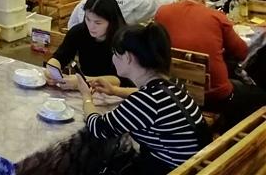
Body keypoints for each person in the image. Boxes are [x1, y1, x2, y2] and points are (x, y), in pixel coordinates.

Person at [79, 24, 210, 174]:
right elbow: (150, 97)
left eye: (115, 53)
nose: (113, 58)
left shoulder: (144, 102)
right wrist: (115, 90)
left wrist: (86, 96)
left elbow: (99, 128)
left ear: (127, 57)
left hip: (171, 168)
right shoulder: (173, 83)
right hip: (196, 164)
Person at [156, 0, 266, 128]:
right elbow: (241, 52)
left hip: (174, 87)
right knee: (259, 94)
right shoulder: (216, 16)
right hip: (215, 94)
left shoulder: (162, 13)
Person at [45, 0, 127, 90]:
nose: (91, 26)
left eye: (98, 22)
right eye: (88, 19)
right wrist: (51, 71)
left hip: (117, 93)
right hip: (87, 90)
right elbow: (59, 57)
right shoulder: (79, 32)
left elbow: (119, 80)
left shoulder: (123, 40)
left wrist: (82, 81)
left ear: (111, 22)